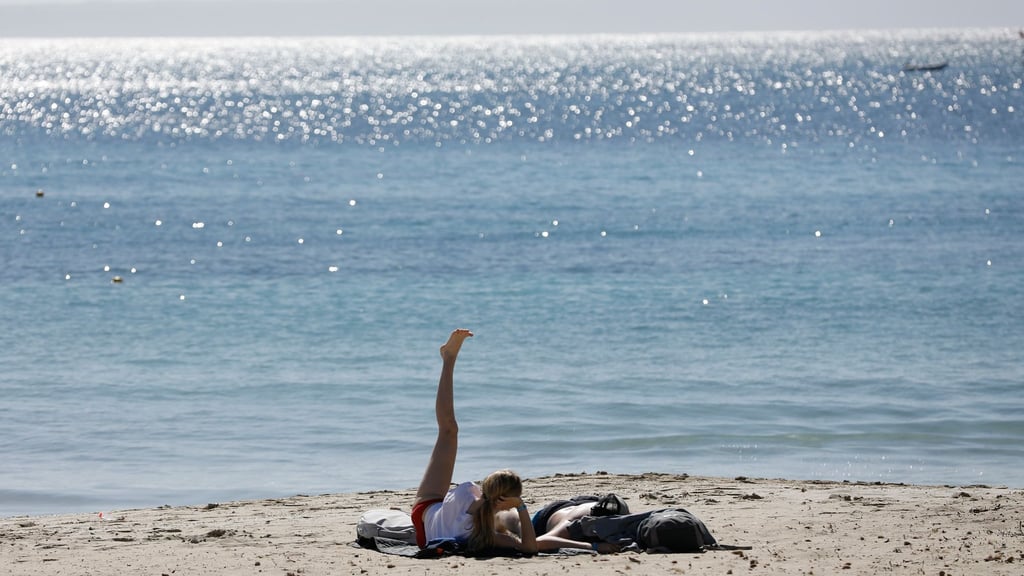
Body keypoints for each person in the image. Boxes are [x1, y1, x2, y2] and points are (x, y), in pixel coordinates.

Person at [411, 329, 616, 554]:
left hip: (427, 510)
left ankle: (448, 360)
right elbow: (529, 547)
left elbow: (528, 546)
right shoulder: (484, 534)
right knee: (449, 430)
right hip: (428, 518)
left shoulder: (475, 512)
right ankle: (449, 358)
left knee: (449, 430)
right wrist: (521, 507)